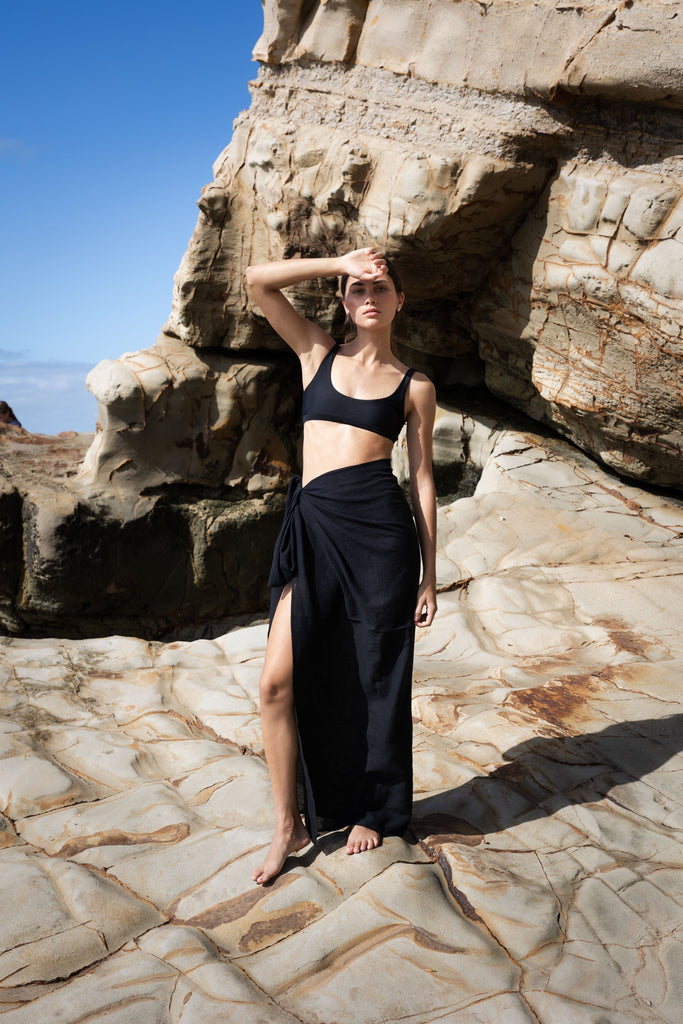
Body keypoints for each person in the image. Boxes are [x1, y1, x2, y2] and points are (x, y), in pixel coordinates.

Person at [245, 246, 437, 885]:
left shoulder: (415, 386)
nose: (369, 298)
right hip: (316, 528)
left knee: (376, 676)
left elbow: (422, 480)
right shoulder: (315, 355)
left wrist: (430, 574)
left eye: (380, 288)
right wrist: (337, 261)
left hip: (381, 537)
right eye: (358, 290)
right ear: (346, 299)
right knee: (276, 682)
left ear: (399, 301)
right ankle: (288, 823)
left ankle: (372, 810)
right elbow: (258, 283)